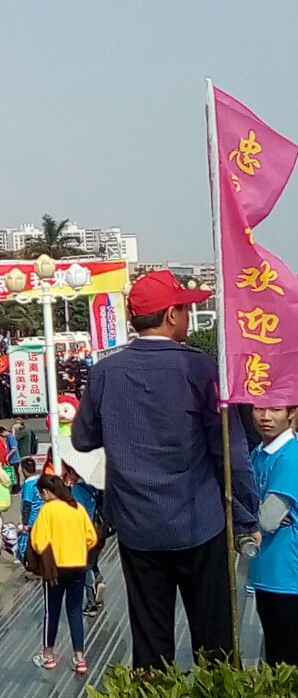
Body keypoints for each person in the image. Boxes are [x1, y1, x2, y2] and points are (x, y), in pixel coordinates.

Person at [72, 270, 257, 670]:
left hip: (138, 527)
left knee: (151, 644)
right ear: (171, 315)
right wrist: (246, 519)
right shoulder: (201, 369)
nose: (188, 317)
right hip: (199, 522)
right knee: (216, 642)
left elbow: (82, 439)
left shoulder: (105, 371)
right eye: (185, 309)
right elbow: (231, 454)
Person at [29, 475, 97, 675]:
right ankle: (79, 658)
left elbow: (38, 541)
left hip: (55, 570)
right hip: (78, 566)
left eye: (41, 493)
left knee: (52, 611)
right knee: (75, 611)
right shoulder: (77, 508)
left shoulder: (47, 510)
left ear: (46, 492)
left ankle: (48, 655)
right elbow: (91, 538)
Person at [248, 404, 298, 666]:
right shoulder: (259, 453)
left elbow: (267, 519)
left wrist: (247, 514)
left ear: (291, 412)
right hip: (266, 572)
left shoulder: (290, 457)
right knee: (275, 656)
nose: (265, 417)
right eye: (259, 409)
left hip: (287, 576)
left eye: (275, 409)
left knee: (286, 660)